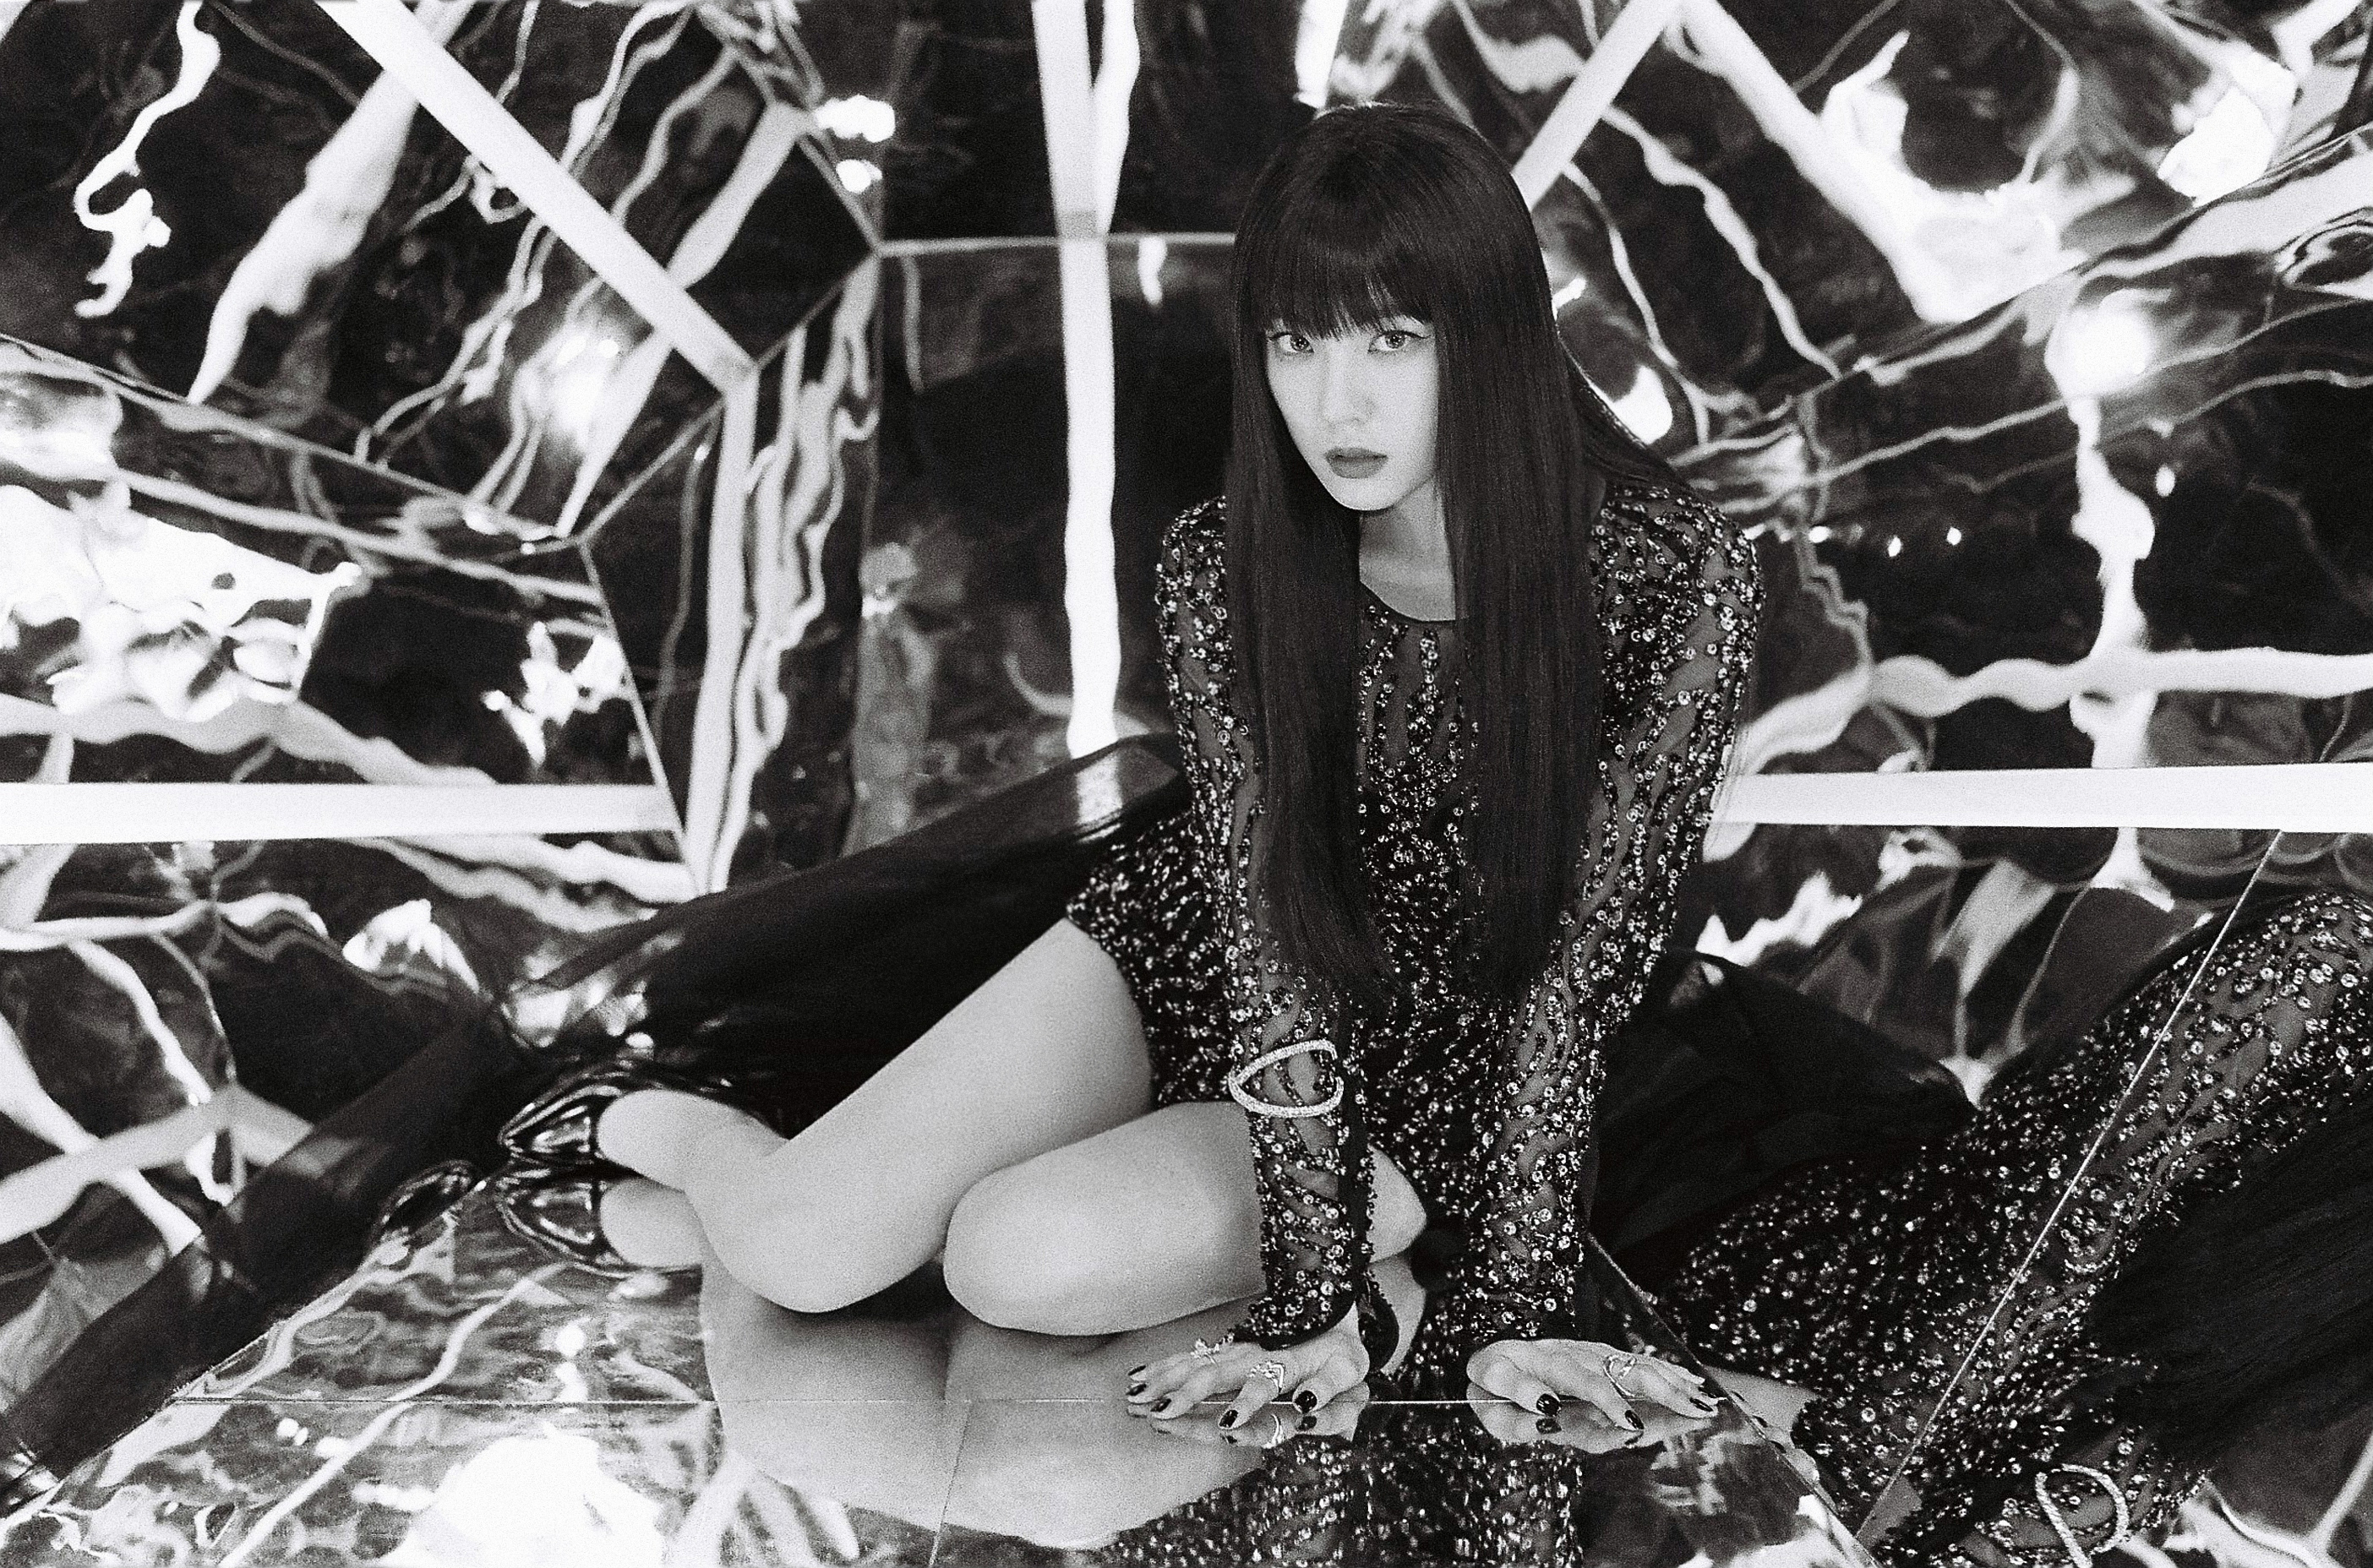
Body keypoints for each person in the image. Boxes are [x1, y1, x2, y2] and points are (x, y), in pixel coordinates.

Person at [501, 101, 2373, 1566]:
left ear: (1485, 337)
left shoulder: (1668, 577)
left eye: (1390, 340)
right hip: (1202, 960)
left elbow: (1572, 988)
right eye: (1298, 342)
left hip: (1448, 1072)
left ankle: (775, 1211)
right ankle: (656, 1129)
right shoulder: (1224, 563)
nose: (1339, 401)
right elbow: (1258, 926)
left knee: (1009, 1265)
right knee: (811, 1248)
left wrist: (1463, 1308)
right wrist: (1313, 1292)